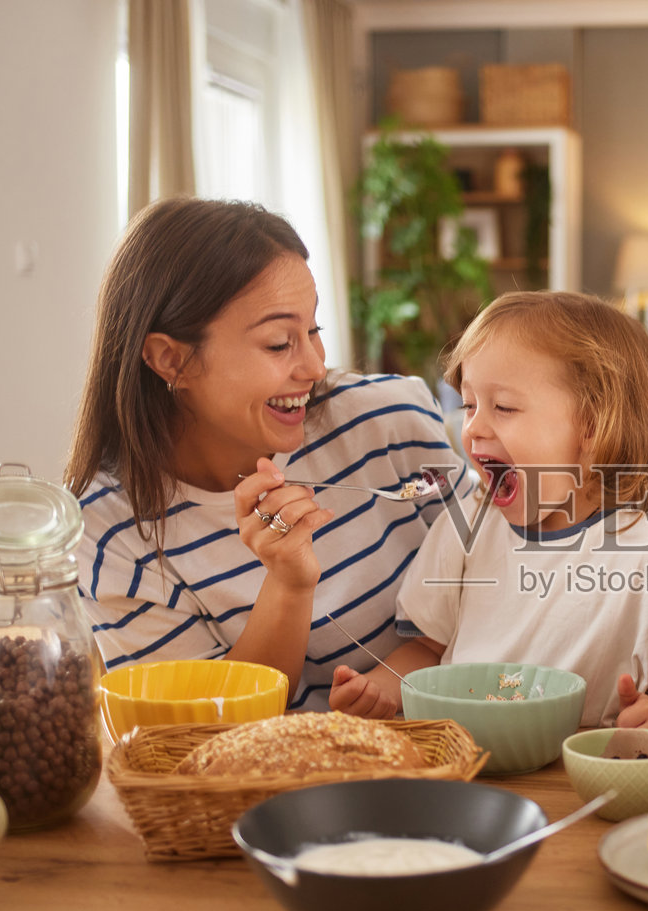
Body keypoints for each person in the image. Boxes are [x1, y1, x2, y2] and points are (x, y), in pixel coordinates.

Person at [65, 197, 472, 711]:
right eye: (280, 343)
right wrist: (288, 585)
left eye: (314, 331)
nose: (315, 367)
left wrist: (402, 681)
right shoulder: (107, 531)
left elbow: (491, 589)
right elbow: (202, 731)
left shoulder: (390, 419)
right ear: (171, 359)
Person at [328, 291, 648, 737]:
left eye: (504, 407)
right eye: (469, 405)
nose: (473, 427)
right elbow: (427, 650)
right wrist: (381, 688)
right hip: (457, 755)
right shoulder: (464, 528)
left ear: (594, 427)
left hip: (573, 769)